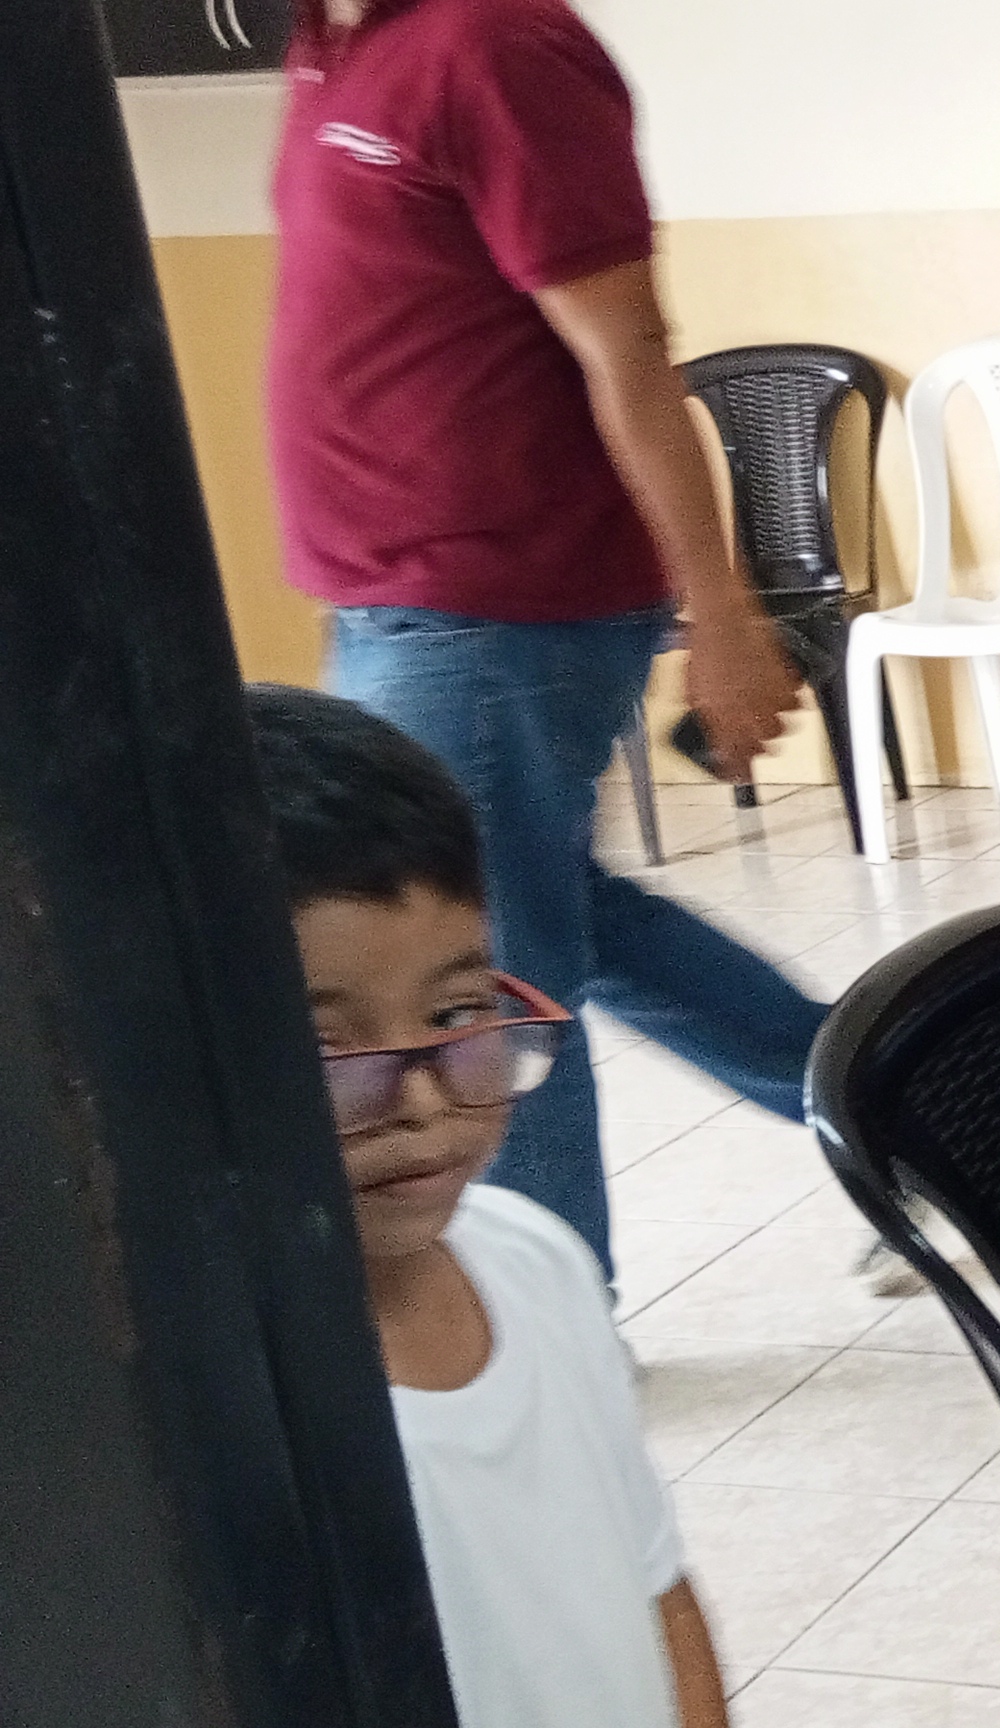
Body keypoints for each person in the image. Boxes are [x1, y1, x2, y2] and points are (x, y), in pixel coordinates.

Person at [269, 0, 831, 1280]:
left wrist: (722, 613)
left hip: (490, 611)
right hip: (389, 602)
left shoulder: (492, 44)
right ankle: (929, 1115)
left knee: (469, 977)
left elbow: (627, 346)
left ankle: (547, 1313)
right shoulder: (330, 45)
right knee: (553, 919)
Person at [249, 684, 726, 1728]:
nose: (423, 1101)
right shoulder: (239, 1420)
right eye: (325, 1046)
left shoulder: (538, 1261)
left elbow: (657, 1587)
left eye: (456, 1012)